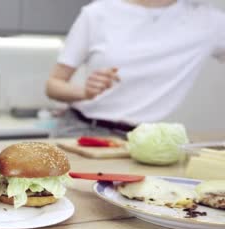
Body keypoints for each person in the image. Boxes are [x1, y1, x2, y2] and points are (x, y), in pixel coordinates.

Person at [45, 0, 225, 137]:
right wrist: (84, 92)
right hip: (82, 131)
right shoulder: (98, 13)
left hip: (145, 142)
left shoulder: (209, 21)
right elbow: (53, 84)